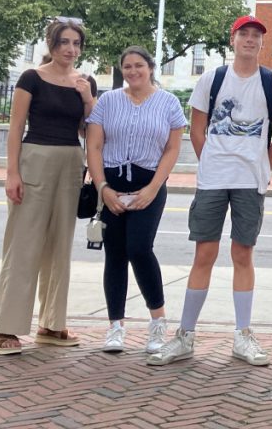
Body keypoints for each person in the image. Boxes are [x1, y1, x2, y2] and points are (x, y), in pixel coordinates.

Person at [147, 15, 272, 367]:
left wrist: (261, 169)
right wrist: (211, 162)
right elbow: (197, 130)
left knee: (243, 254)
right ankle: (185, 335)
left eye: (256, 35)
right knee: (204, 254)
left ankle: (242, 334)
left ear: (262, 42)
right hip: (213, 179)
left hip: (249, 181)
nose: (250, 40)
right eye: (244, 34)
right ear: (233, 39)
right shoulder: (212, 79)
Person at [0, 18, 97, 355]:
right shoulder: (31, 78)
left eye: (76, 43)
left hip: (71, 163)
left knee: (60, 246)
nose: (71, 49)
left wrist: (88, 98)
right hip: (34, 159)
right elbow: (16, 126)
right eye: (64, 42)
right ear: (51, 44)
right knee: (24, 244)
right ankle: (5, 328)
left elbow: (90, 130)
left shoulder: (85, 82)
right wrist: (12, 173)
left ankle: (51, 323)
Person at [86, 46, 187, 354]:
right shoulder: (108, 101)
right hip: (112, 184)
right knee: (115, 254)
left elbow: (172, 149)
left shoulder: (169, 103)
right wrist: (103, 188)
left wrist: (154, 187)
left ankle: (157, 321)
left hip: (148, 185)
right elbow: (94, 146)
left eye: (138, 65)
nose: (133, 71)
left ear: (150, 67)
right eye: (127, 66)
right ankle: (115, 326)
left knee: (140, 249)